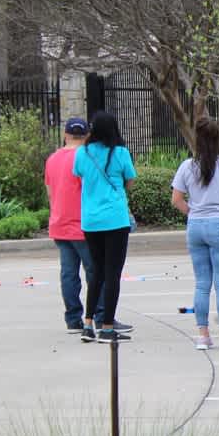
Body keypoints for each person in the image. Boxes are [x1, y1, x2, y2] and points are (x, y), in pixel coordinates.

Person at [171, 117, 219, 350]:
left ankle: (203, 335)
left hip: (196, 225)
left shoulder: (187, 166)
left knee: (202, 283)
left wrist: (192, 211)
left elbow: (176, 199)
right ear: (218, 139)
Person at [44, 117, 117, 335]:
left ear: (65, 134)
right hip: (84, 224)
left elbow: (49, 192)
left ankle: (73, 318)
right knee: (97, 272)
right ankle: (101, 316)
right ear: (86, 135)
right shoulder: (86, 156)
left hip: (59, 222)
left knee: (68, 273)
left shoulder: (52, 159)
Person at [73, 111, 137, 344]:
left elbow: (79, 176)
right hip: (115, 219)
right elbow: (129, 180)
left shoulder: (83, 153)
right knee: (113, 274)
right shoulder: (120, 153)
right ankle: (107, 327)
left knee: (96, 272)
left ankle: (88, 324)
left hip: (90, 220)